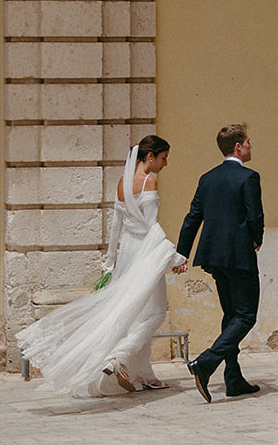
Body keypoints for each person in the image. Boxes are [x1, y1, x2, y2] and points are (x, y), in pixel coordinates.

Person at [16, 136, 183, 396]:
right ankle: (118, 358)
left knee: (134, 314)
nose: (165, 164)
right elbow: (152, 227)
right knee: (155, 313)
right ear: (150, 157)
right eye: (163, 158)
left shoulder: (122, 183)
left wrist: (109, 264)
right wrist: (174, 258)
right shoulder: (149, 181)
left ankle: (144, 373)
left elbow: (116, 226)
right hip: (145, 253)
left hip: (127, 251)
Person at [174, 123, 264, 402]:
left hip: (213, 256)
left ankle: (233, 378)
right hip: (239, 255)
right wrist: (256, 239)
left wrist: (182, 252)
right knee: (246, 315)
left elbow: (193, 218)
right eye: (248, 141)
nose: (251, 146)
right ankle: (206, 362)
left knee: (230, 315)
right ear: (238, 146)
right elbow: (254, 217)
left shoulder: (207, 178)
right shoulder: (248, 177)